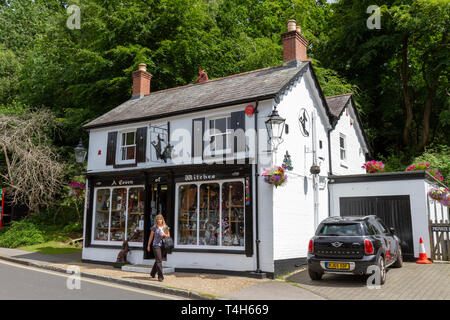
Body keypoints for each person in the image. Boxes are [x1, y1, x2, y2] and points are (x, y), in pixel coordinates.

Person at [147, 214, 170, 281]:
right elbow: (151, 237)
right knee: (159, 260)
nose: (159, 221)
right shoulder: (154, 227)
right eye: (157, 220)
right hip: (156, 245)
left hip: (164, 245)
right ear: (156, 221)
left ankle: (152, 273)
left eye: (160, 219)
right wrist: (148, 245)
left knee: (158, 260)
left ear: (162, 219)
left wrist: (164, 235)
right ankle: (160, 276)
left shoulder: (165, 227)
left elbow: (168, 235)